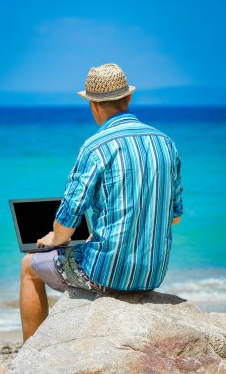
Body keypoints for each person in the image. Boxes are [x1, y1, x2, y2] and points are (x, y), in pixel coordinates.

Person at [20, 63, 183, 342]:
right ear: (129, 98)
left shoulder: (96, 146)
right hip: (154, 274)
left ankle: (28, 357)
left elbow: (68, 219)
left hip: (107, 276)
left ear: (93, 105)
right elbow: (174, 216)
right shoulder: (166, 142)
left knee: (28, 266)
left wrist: (54, 239)